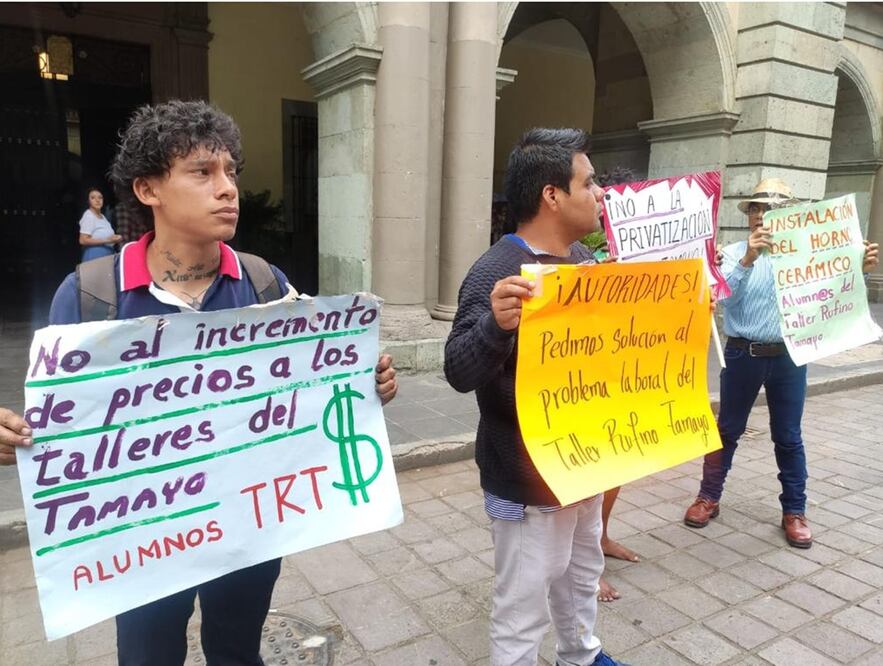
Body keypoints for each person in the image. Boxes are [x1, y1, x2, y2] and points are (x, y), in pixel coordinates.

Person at [0, 99, 399, 665]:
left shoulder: (264, 284)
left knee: (236, 650)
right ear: (148, 189)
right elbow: (63, 419)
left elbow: (308, 385)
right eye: (202, 172)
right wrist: (17, 436)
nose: (227, 188)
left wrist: (364, 383)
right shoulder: (90, 295)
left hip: (249, 529)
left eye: (231, 171)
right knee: (148, 655)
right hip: (141, 541)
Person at [445, 128, 627, 666]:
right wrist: (494, 326)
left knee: (582, 573)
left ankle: (581, 654)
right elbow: (458, 370)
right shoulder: (496, 271)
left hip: (585, 464)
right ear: (552, 195)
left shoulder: (583, 262)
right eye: (588, 183)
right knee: (522, 605)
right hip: (527, 480)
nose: (600, 193)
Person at [683, 178, 879, 548]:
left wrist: (858, 268)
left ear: (790, 215)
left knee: (788, 436)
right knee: (727, 430)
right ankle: (708, 497)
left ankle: (794, 510)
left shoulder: (807, 254)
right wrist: (748, 259)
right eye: (756, 208)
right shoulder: (732, 253)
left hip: (790, 355)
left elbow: (833, 290)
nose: (761, 215)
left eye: (771, 209)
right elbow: (723, 299)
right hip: (742, 354)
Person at [78, 187, 122, 261]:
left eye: (100, 198)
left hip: (107, 254)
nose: (97, 200)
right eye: (93, 198)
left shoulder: (103, 217)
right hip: (95, 255)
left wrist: (114, 238)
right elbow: (83, 240)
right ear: (88, 201)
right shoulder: (89, 216)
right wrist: (108, 240)